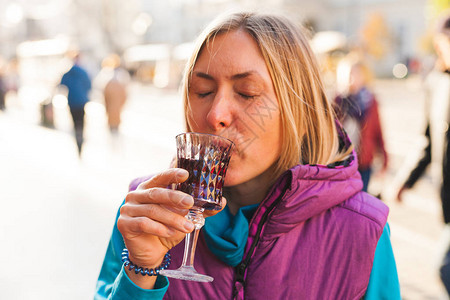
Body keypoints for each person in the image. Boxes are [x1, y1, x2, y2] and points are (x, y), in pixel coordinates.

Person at [95, 11, 400, 299]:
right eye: (202, 91)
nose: (216, 114)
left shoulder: (363, 230)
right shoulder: (145, 210)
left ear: (299, 108)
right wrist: (140, 272)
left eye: (247, 93)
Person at [397, 11, 450, 295]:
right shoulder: (436, 83)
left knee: (445, 266)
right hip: (447, 198)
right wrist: (406, 180)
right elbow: (428, 141)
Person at [333, 53, 388, 193]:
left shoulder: (370, 100)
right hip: (341, 161)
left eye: (357, 73)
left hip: (364, 162)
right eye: (350, 73)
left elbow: (378, 131)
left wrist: (384, 159)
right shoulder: (338, 100)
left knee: (360, 203)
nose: (353, 77)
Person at [60, 51, 92, 156]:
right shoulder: (83, 72)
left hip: (72, 102)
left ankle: (78, 138)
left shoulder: (68, 72)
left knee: (75, 122)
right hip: (81, 101)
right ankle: (80, 137)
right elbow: (89, 86)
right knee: (81, 122)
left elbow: (62, 85)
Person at [97, 53, 130, 134]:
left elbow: (126, 85)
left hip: (117, 97)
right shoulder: (106, 72)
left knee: (116, 113)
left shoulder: (121, 73)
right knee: (111, 113)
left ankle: (115, 127)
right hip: (110, 97)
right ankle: (112, 127)